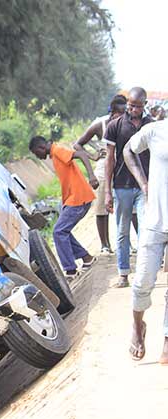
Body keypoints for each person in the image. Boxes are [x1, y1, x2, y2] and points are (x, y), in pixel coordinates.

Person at [123, 119, 168, 362]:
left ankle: (167, 340)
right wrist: (143, 183)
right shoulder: (155, 131)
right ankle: (138, 327)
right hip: (155, 221)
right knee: (142, 282)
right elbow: (128, 149)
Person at [29, 135, 98, 280]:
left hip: (78, 198)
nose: (39, 157)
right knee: (62, 231)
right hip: (73, 199)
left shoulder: (57, 150)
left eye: (37, 154)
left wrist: (91, 176)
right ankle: (86, 258)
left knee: (59, 232)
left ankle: (70, 270)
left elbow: (80, 154)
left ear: (41, 148)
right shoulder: (55, 153)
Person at [104, 87, 153, 288]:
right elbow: (109, 159)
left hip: (145, 187)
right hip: (122, 185)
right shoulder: (114, 126)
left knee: (146, 230)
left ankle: (144, 274)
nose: (133, 109)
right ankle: (123, 274)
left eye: (137, 106)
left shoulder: (151, 126)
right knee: (123, 231)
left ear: (145, 105)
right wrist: (107, 191)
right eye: (131, 105)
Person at [74, 94, 127, 254]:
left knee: (127, 207)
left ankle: (127, 244)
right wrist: (93, 156)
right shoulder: (100, 125)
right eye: (121, 113)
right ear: (113, 112)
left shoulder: (127, 123)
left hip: (123, 167)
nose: (124, 116)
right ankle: (105, 245)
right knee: (102, 208)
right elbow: (77, 144)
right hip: (104, 168)